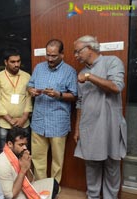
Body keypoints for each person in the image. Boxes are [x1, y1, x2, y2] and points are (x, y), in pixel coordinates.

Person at [73, 35, 127, 199]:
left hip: (110, 125)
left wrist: (90, 77)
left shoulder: (112, 62)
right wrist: (77, 129)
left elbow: (116, 87)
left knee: (112, 165)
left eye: (78, 52)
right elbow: (80, 103)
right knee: (92, 166)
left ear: (90, 48)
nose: (76, 56)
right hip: (89, 127)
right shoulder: (82, 72)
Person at [27, 39, 77, 184]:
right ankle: (40, 187)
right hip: (38, 122)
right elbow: (30, 85)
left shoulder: (69, 71)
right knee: (38, 159)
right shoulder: (38, 68)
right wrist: (32, 91)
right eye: (47, 55)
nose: (50, 59)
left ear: (62, 54)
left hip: (58, 122)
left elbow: (74, 96)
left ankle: (54, 188)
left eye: (54, 56)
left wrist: (59, 95)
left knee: (57, 160)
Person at [0, 128, 59, 199]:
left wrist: (27, 166)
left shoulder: (19, 155)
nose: (24, 148)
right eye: (21, 145)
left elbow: (31, 180)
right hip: (14, 195)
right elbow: (10, 196)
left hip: (22, 189)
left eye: (25, 144)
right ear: (10, 144)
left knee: (54, 184)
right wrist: (23, 170)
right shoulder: (2, 164)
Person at [0, 47, 32, 151]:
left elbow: (29, 99)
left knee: (23, 151)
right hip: (5, 123)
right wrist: (10, 120)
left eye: (18, 61)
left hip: (23, 123)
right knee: (5, 152)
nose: (16, 64)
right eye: (13, 62)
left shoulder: (27, 76)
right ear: (5, 62)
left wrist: (23, 118)